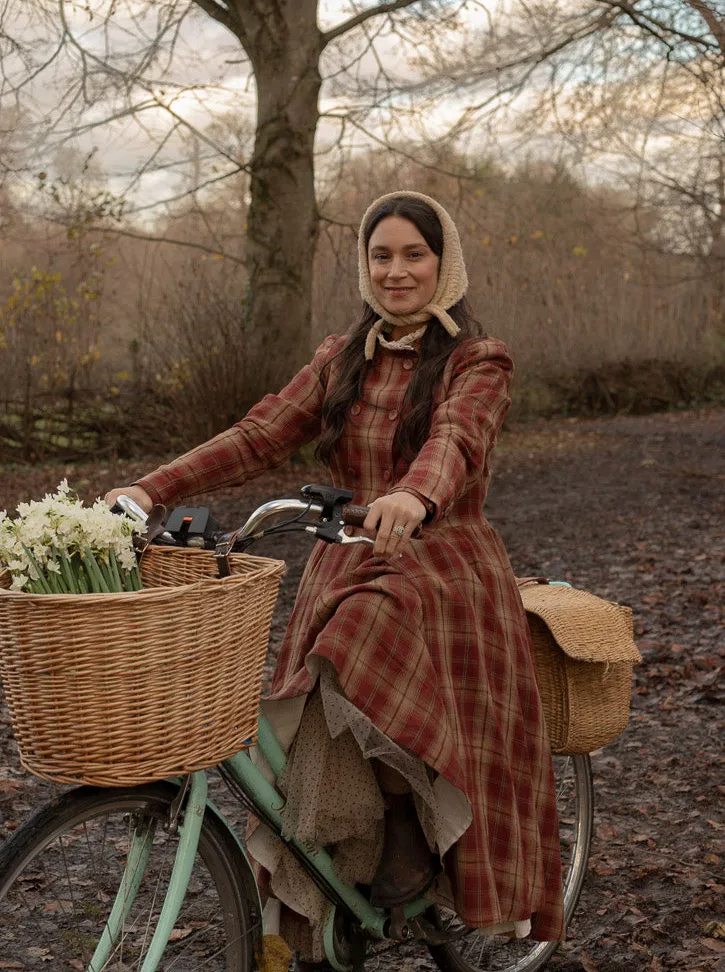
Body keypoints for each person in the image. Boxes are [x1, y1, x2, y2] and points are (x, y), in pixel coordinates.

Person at [106, 190, 564, 962]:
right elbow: (258, 435)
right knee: (315, 689)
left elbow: (455, 440)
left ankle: (406, 839)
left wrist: (414, 495)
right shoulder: (340, 357)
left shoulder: (477, 361)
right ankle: (341, 867)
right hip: (344, 552)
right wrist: (151, 488)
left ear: (443, 263)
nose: (395, 272)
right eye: (380, 256)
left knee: (355, 637)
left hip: (440, 561)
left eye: (413, 255)